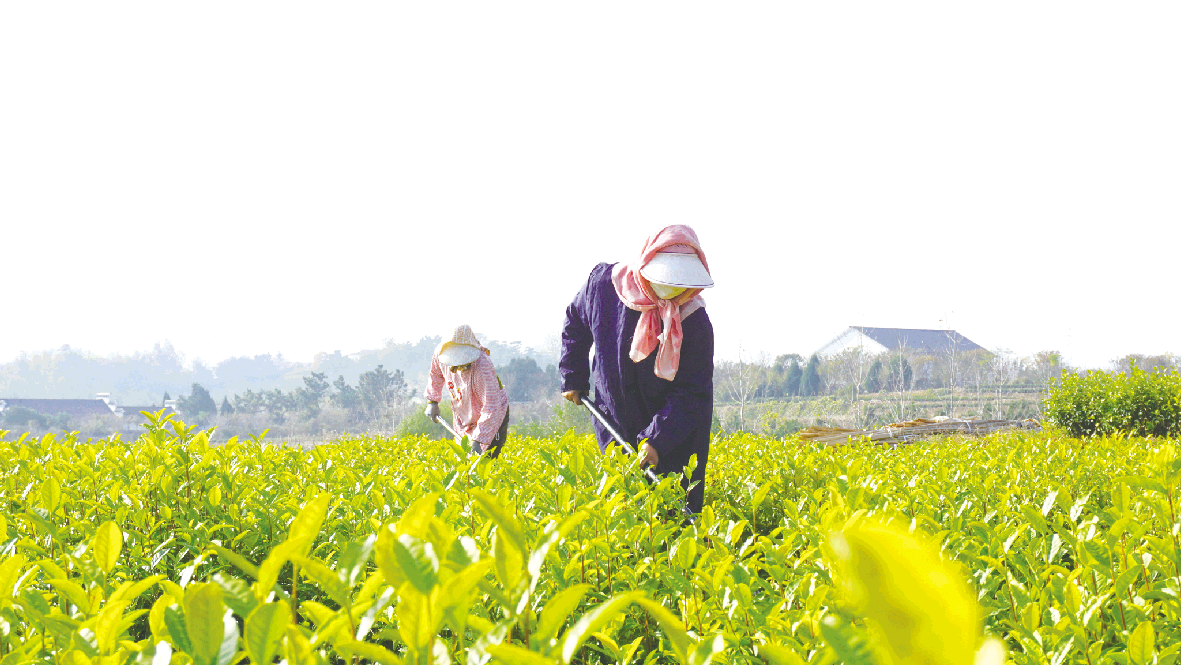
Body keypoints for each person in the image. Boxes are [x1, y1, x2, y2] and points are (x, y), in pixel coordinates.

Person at [559, 224, 715, 513]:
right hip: (615, 414)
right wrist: (573, 374)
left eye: (679, 283)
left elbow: (692, 395)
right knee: (624, 504)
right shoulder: (604, 287)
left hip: (677, 431)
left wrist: (656, 440)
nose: (671, 289)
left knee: (674, 513)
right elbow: (575, 322)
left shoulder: (694, 321)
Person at [424, 324, 510, 458]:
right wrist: (432, 401)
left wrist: (479, 439)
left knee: (485, 461)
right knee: (463, 459)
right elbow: (435, 374)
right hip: (463, 412)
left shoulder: (483, 366)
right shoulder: (440, 354)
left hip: (492, 415)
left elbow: (491, 407)